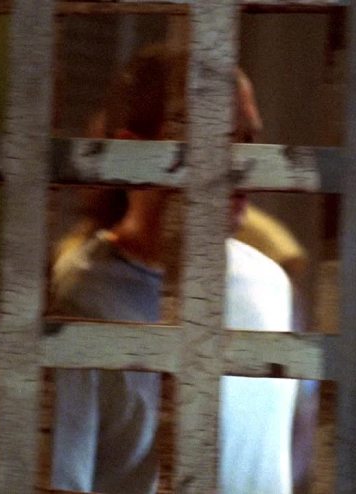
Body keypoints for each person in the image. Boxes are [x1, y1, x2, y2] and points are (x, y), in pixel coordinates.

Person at [50, 44, 298, 494]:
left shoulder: (270, 284)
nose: (245, 164)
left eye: (249, 140)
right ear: (134, 155)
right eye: (219, 138)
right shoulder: (82, 298)